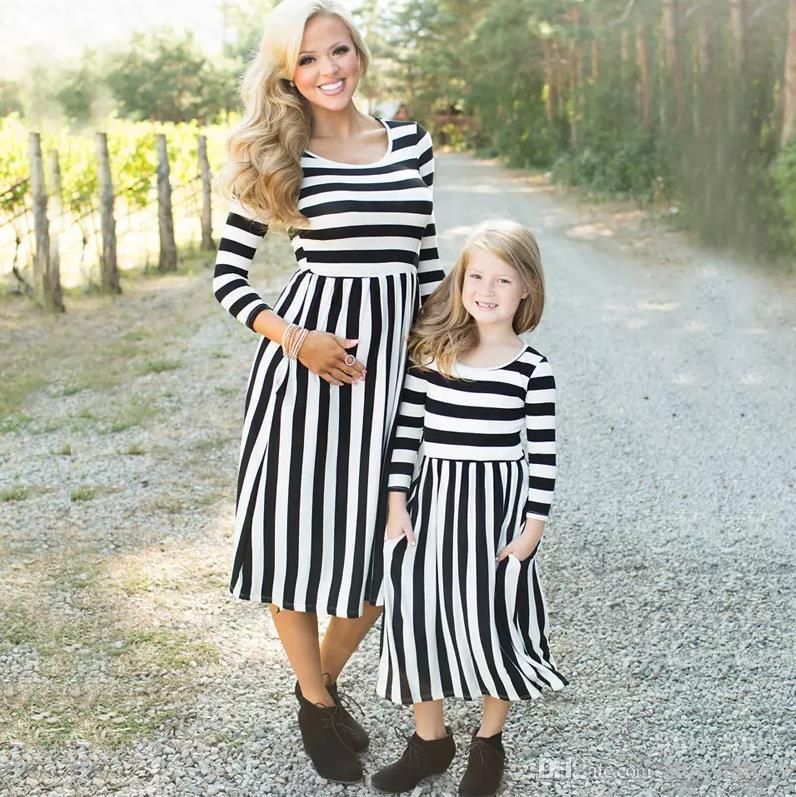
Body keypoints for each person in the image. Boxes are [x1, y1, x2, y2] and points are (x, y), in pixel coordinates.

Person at [211, 0, 445, 785]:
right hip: (307, 381)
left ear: (360, 54)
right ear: (287, 72)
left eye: (338, 51)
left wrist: (463, 358)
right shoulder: (279, 152)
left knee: (389, 558)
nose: (328, 70)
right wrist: (297, 340)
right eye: (308, 60)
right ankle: (315, 701)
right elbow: (228, 279)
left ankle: (318, 688)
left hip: (396, 383)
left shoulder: (410, 141)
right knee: (297, 551)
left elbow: (430, 265)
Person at [373, 220, 569, 796]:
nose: (487, 290)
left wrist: (532, 527)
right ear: (460, 282)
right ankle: (430, 741)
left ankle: (488, 743)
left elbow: (543, 456)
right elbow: (407, 434)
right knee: (417, 614)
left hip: (497, 513)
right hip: (432, 505)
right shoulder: (434, 355)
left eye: (503, 280)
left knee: (492, 621)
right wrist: (395, 501)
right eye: (476, 276)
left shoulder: (533, 370)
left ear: (527, 288)